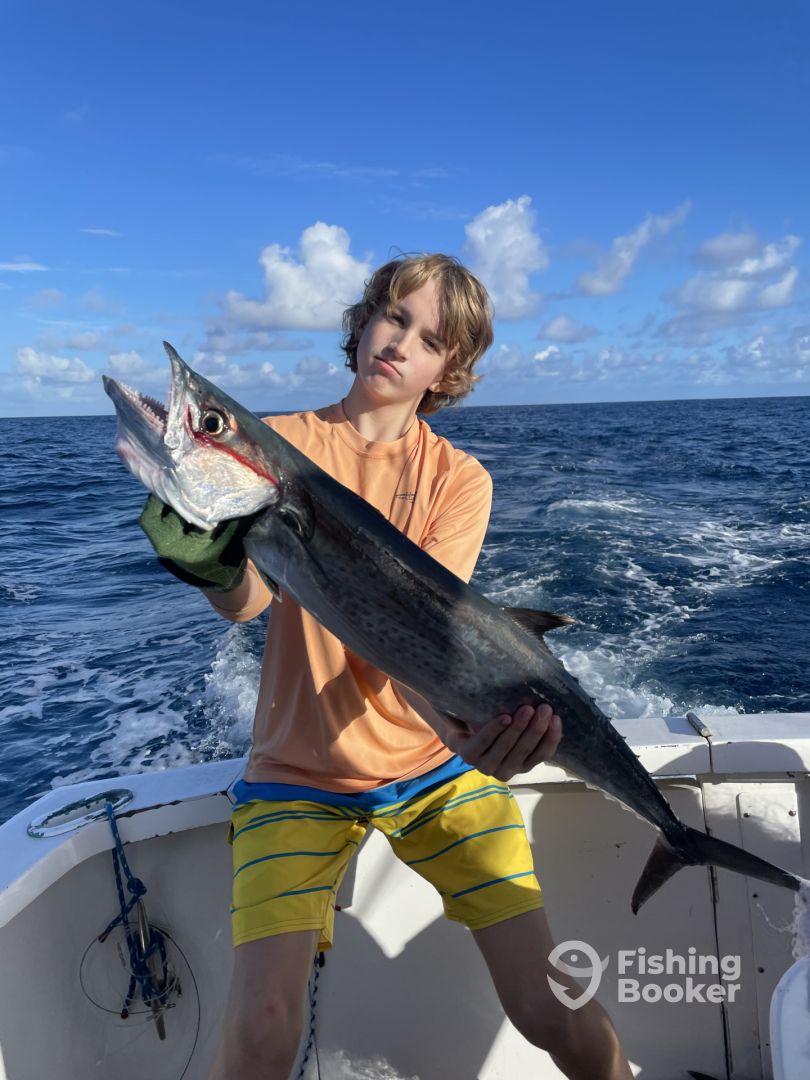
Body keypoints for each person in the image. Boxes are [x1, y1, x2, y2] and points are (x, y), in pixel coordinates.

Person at [141, 254, 633, 1080]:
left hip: (435, 767)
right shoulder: (286, 444)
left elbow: (420, 641)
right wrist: (215, 569)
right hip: (295, 774)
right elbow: (252, 604)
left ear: (449, 370)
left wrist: (463, 734)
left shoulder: (458, 480)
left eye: (430, 340)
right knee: (260, 1030)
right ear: (364, 320)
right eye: (395, 317)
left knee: (550, 1003)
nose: (401, 344)